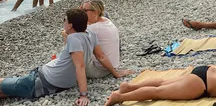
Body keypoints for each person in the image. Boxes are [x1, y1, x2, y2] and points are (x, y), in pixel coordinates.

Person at [0, 9, 130, 104]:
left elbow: (80, 66)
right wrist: (115, 73)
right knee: (6, 90)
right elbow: (101, 56)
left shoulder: (73, 38)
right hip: (51, 79)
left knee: (6, 85)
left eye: (65, 20)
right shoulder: (90, 32)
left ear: (70, 25)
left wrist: (83, 95)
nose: (63, 23)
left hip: (42, 81)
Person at [103, 61, 216, 106]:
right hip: (202, 84)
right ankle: (121, 96)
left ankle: (130, 86)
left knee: (163, 82)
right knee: (158, 93)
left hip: (204, 70)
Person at [81, 0, 122, 79]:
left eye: (84, 10)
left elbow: (70, 30)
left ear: (95, 12)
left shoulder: (93, 28)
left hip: (99, 70)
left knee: (74, 48)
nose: (82, 13)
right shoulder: (106, 20)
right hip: (112, 66)